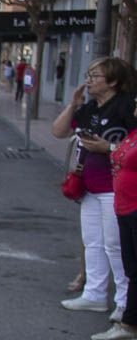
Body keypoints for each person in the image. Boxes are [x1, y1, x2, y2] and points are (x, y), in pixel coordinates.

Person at [52, 58, 137, 319]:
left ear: (113, 81)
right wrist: (72, 104)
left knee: (115, 246)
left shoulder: (124, 107)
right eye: (88, 75)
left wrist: (108, 148)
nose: (89, 81)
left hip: (116, 188)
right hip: (89, 187)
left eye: (95, 76)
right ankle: (94, 294)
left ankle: (124, 302)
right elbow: (59, 131)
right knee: (93, 242)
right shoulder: (90, 107)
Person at [97, 60, 137, 340]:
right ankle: (128, 324)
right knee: (132, 267)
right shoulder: (133, 132)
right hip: (125, 205)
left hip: (132, 205)